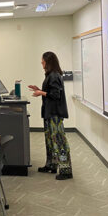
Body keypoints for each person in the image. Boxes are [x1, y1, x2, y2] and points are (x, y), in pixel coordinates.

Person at [28, 51, 73, 180]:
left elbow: (55, 95)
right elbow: (50, 91)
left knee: (59, 141)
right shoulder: (50, 75)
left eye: (43, 61)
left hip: (55, 114)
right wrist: (39, 89)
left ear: (48, 62)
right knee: (49, 140)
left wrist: (40, 93)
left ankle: (66, 169)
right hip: (49, 113)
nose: (41, 63)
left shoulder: (54, 76)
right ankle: (51, 165)